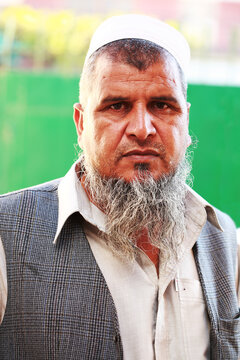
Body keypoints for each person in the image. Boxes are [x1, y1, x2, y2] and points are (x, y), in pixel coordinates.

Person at [0, 14, 239, 360]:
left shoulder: (225, 242)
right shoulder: (7, 236)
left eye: (162, 105)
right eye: (117, 106)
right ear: (81, 124)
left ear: (185, 122)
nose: (142, 128)